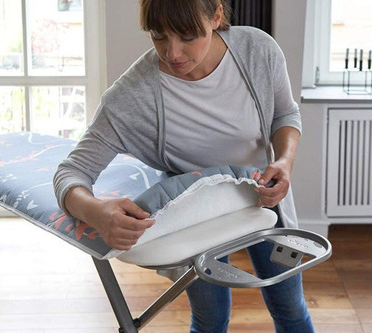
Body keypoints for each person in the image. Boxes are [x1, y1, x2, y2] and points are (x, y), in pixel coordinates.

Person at [53, 0, 313, 332]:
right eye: (159, 36)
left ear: (216, 15)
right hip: (196, 218)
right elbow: (70, 173)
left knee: (289, 307)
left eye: (188, 36)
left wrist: (284, 161)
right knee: (210, 319)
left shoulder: (257, 50)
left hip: (267, 201)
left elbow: (285, 114)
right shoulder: (133, 97)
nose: (173, 53)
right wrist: (96, 212)